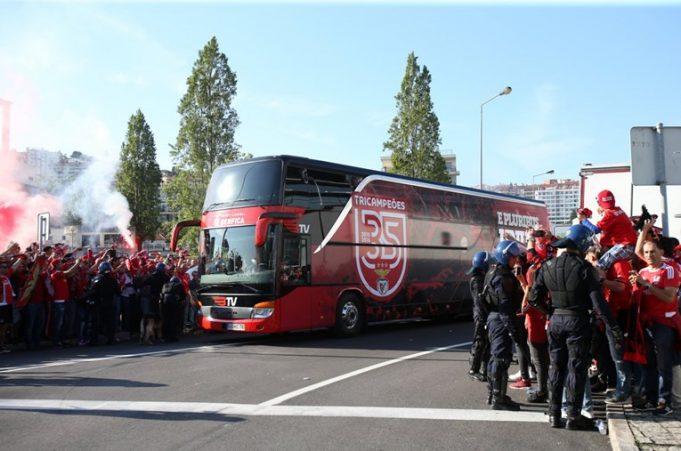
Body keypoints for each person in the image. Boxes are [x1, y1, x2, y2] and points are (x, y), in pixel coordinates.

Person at [529, 224, 622, 430]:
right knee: (576, 369)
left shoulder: (547, 265)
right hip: (578, 321)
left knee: (557, 367)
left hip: (555, 321)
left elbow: (533, 299)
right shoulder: (584, 269)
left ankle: (554, 414)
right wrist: (613, 328)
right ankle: (573, 416)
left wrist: (550, 313)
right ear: (582, 243)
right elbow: (599, 303)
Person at [630, 238, 681, 415]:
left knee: (664, 364)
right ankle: (649, 398)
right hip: (646, 322)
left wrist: (648, 286)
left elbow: (669, 298)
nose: (649, 255)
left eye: (653, 251)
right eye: (646, 252)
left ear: (660, 252)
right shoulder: (643, 271)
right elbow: (640, 295)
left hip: (664, 323)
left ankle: (664, 402)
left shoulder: (670, 270)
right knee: (648, 362)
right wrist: (635, 286)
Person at [484, 240, 529, 411]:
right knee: (501, 358)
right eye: (513, 257)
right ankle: (498, 397)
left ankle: (494, 394)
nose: (515, 260)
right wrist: (512, 327)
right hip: (501, 318)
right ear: (505, 257)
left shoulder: (493, 272)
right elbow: (504, 304)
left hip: (495, 318)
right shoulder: (502, 277)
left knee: (497, 357)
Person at [579, 190, 637, 271]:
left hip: (624, 246)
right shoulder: (618, 209)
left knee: (600, 266)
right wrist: (604, 210)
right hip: (629, 246)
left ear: (599, 203)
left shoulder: (609, 214)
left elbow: (595, 230)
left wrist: (584, 219)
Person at [467, 251, 491, 382]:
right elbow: (479, 301)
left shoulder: (480, 277)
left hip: (482, 313)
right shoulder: (477, 280)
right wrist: (484, 317)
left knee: (486, 342)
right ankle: (473, 370)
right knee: (480, 342)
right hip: (481, 315)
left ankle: (485, 368)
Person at [86, 262, 120, 345]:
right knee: (109, 322)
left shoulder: (95, 279)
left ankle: (94, 340)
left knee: (96, 322)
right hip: (108, 303)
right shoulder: (113, 280)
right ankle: (110, 339)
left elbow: (91, 292)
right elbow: (118, 292)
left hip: (98, 303)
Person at [160, 276, 185, 342]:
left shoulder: (165, 284)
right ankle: (172, 337)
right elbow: (183, 296)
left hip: (164, 304)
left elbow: (161, 295)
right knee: (173, 319)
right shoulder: (179, 285)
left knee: (166, 319)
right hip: (173, 303)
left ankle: (164, 336)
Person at [0, 258, 16, 352]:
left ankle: (2, 345)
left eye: (6, 267)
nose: (6, 268)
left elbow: (13, 268)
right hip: (1, 305)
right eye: (3, 267)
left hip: (7, 304)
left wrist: (22, 258)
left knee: (5, 326)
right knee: (1, 328)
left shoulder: (6, 277)